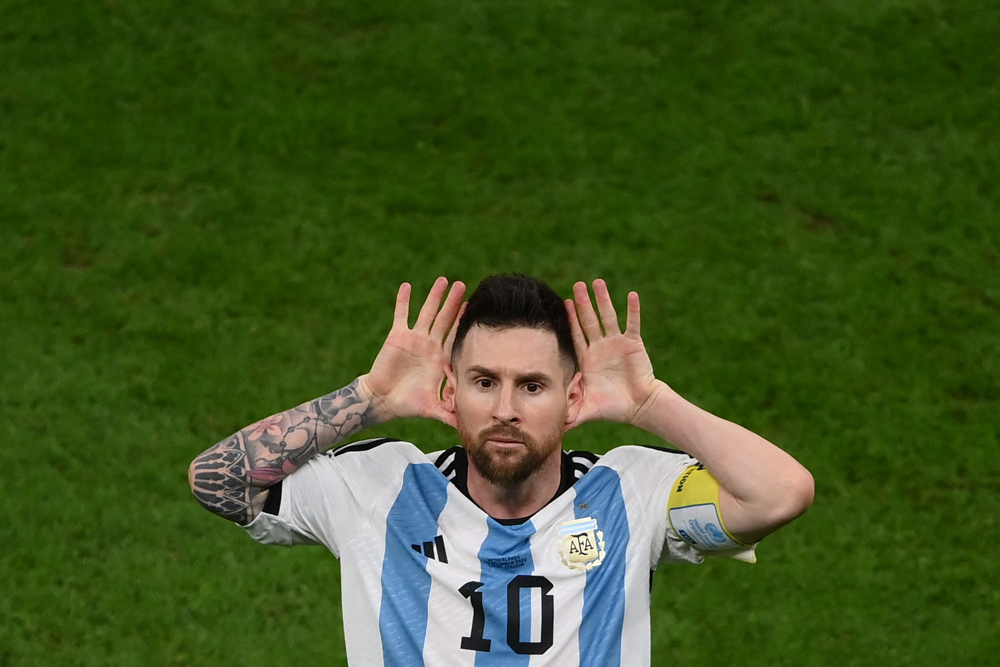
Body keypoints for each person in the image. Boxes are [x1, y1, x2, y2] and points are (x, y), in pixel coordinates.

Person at [189, 274, 813, 667]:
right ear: (451, 390)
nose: (507, 409)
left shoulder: (630, 494)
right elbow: (217, 478)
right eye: (484, 382)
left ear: (573, 398)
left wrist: (652, 405)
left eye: (533, 385)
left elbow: (779, 494)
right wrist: (370, 398)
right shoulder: (378, 490)